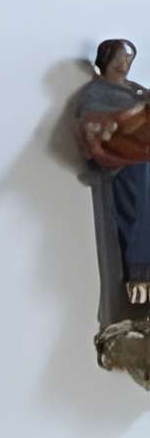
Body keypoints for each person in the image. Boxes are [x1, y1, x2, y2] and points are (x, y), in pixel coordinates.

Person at [76, 40, 150, 316]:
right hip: (127, 165)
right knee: (138, 214)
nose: (124, 64)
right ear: (106, 59)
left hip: (142, 158)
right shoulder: (97, 92)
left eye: (129, 58)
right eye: (120, 57)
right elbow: (96, 126)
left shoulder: (134, 89)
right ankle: (140, 275)